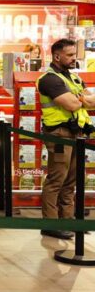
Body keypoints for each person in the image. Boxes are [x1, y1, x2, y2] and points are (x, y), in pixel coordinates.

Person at [36, 38, 95, 240]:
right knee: (56, 180)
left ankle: (68, 221)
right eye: (69, 55)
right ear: (57, 56)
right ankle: (51, 224)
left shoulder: (74, 78)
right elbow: (71, 105)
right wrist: (82, 100)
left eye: (74, 55)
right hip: (59, 135)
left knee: (71, 181)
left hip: (76, 134)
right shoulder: (49, 79)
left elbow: (92, 101)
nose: (73, 58)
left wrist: (81, 100)